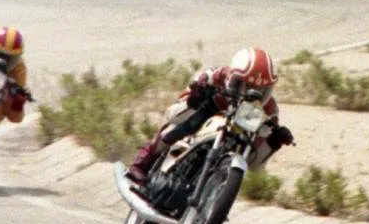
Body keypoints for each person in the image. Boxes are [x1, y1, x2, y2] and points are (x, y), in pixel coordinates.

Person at [124, 45, 295, 186]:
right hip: (206, 113)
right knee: (182, 124)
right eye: (248, 86)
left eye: (262, 90)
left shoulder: (270, 111)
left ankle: (212, 193)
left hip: (237, 131)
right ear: (234, 78)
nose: (254, 94)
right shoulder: (217, 75)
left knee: (248, 146)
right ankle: (141, 163)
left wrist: (273, 142)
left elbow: (254, 165)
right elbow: (172, 114)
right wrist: (196, 97)